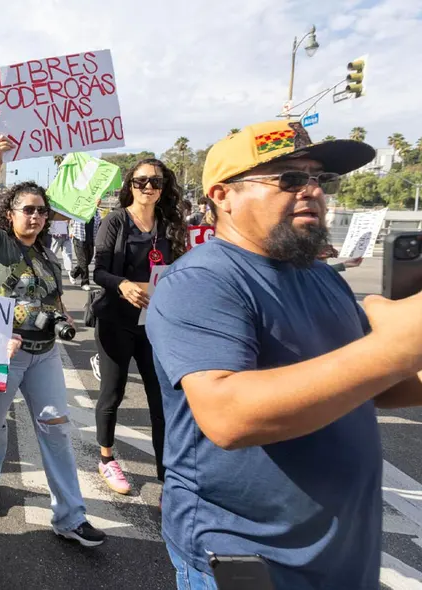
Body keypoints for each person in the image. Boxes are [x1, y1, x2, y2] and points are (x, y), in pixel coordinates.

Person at [145, 120, 422, 588]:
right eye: (290, 179)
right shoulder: (200, 281)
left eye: (321, 179)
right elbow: (229, 416)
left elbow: (372, 383)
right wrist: (393, 348)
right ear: (222, 196)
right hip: (253, 561)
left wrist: (403, 356)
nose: (312, 190)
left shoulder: (321, 276)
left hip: (344, 555)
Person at [0, 128, 106, 547]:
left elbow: (56, 299)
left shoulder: (46, 254)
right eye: (27, 209)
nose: (36, 216)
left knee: (57, 429)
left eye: (42, 211)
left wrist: (64, 317)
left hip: (45, 355)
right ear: (9, 213)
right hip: (2, 351)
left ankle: (70, 516)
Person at [91, 159, 188, 495]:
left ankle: (167, 476)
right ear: (130, 185)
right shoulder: (115, 221)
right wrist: (122, 285)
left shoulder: (171, 224)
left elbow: (181, 268)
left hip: (156, 324)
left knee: (161, 399)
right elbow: (99, 271)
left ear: (165, 188)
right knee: (112, 393)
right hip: (116, 321)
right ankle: (106, 458)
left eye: (156, 182)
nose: (148, 187)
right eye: (141, 181)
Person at [69, 215, 96, 291]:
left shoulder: (96, 213)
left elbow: (98, 225)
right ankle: (85, 283)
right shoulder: (81, 211)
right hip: (79, 238)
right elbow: (72, 221)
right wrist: (71, 231)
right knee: (83, 262)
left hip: (90, 239)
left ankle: (73, 274)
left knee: (88, 260)